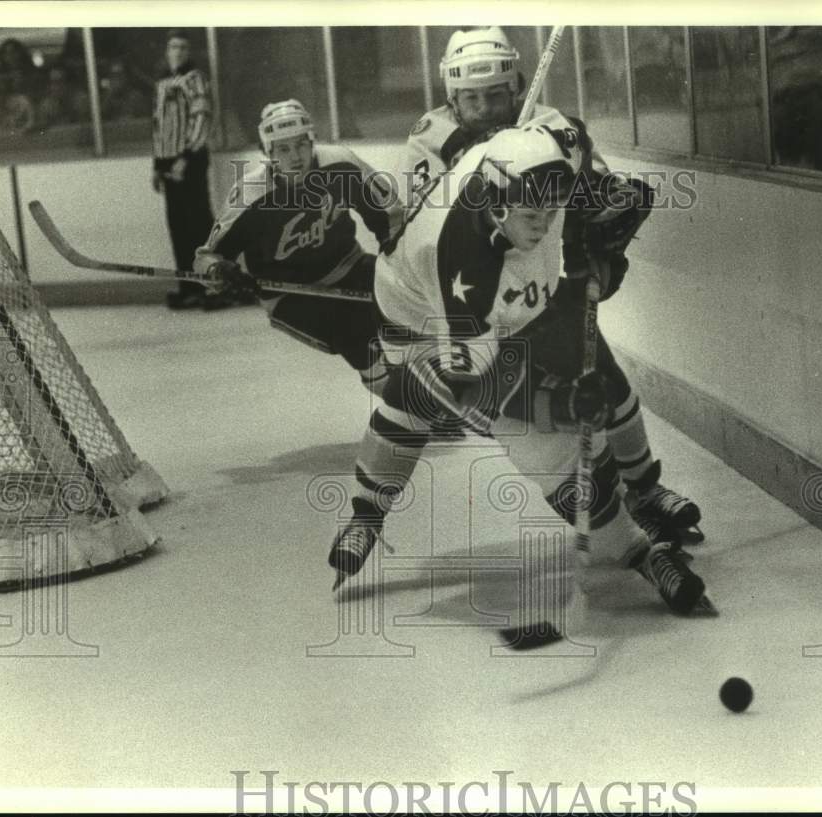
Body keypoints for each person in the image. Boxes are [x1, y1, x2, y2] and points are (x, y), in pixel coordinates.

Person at [328, 126, 708, 616]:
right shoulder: (459, 265)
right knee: (542, 444)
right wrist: (559, 404)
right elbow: (475, 389)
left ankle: (366, 512)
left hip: (511, 307)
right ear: (496, 204)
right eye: (534, 213)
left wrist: (608, 219)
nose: (546, 225)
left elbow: (568, 142)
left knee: (592, 390)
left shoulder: (532, 182)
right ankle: (636, 547)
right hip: (421, 324)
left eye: (555, 209)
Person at [400, 26, 702, 543]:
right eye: (470, 97)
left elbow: (600, 195)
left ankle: (646, 490)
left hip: (549, 283)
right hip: (478, 304)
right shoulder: (427, 142)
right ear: (451, 96)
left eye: (495, 94)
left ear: (516, 86)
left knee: (604, 383)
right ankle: (612, 515)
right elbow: (429, 227)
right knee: (544, 419)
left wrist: (605, 239)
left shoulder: (554, 128)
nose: (484, 107)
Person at [193, 100, 401, 393]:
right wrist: (219, 271)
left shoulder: (341, 165)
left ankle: (426, 389)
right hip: (289, 295)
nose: (295, 158)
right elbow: (205, 258)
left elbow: (391, 217)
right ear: (267, 153)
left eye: (301, 145)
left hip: (348, 266)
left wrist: (398, 261)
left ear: (312, 142)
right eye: (283, 149)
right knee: (355, 334)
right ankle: (403, 409)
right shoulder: (251, 195)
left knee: (407, 306)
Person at [151, 29, 226, 310]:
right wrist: (157, 166)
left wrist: (186, 157)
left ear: (189, 51)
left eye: (183, 47)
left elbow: (201, 118)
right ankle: (189, 287)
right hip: (170, 163)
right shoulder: (162, 83)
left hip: (190, 161)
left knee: (199, 225)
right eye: (173, 46)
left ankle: (214, 288)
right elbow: (160, 127)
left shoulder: (194, 79)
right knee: (178, 228)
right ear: (166, 50)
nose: (178, 51)